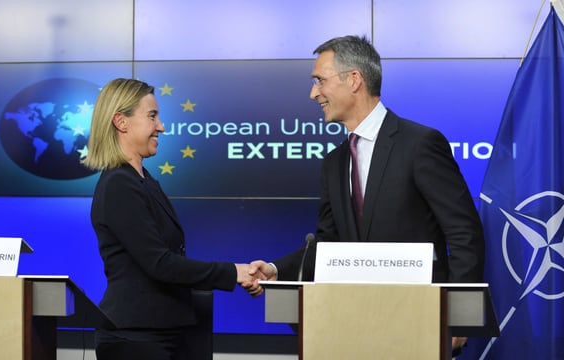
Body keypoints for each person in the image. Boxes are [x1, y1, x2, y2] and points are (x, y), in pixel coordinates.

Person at [246, 35, 485, 353]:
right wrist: (277, 270)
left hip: (418, 322)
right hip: (351, 323)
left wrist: (460, 316)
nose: (313, 93)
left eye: (320, 80)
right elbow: (328, 244)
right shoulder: (334, 161)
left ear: (354, 79)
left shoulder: (420, 145)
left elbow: (464, 233)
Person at [83, 78, 261, 360]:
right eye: (152, 116)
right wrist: (233, 272)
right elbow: (159, 263)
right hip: (137, 337)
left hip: (169, 330)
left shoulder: (144, 181)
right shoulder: (119, 184)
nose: (161, 126)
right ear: (121, 122)